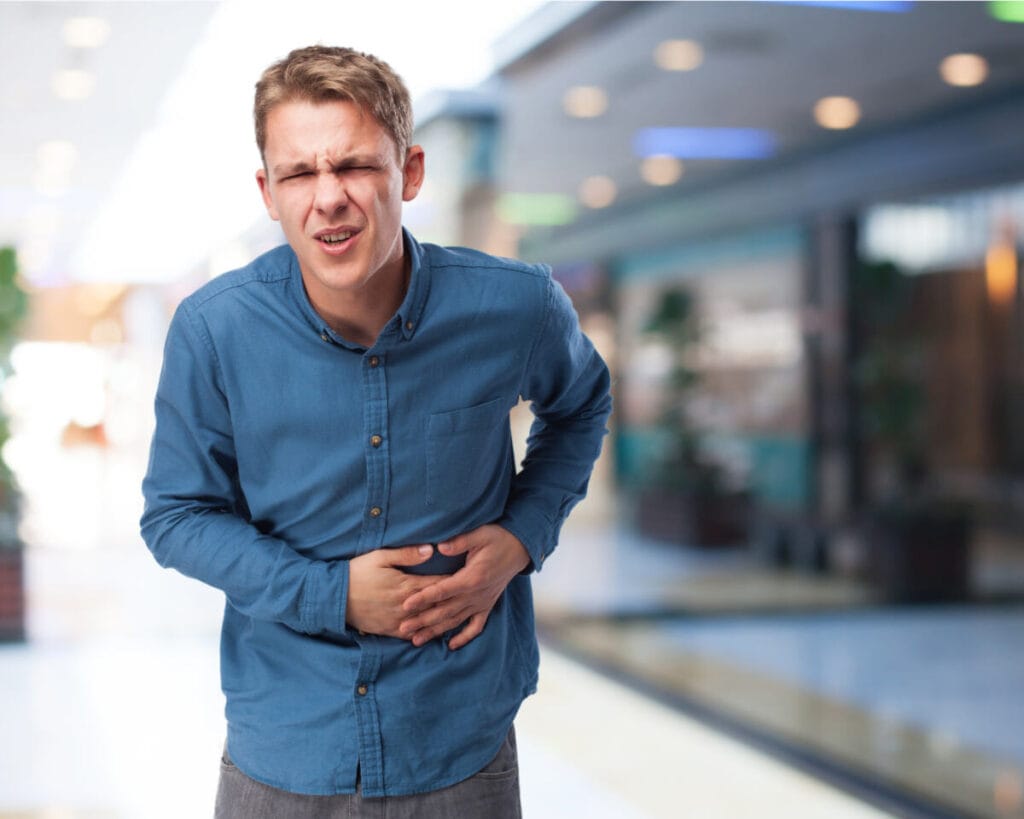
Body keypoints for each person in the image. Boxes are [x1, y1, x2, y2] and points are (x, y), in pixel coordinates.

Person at [140, 44, 611, 818]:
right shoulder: (215, 330)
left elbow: (582, 404)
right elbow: (176, 515)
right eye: (299, 173)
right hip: (285, 749)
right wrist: (333, 595)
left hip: (457, 737)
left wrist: (524, 534)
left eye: (354, 165)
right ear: (268, 190)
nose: (328, 197)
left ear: (410, 172)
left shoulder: (515, 306)